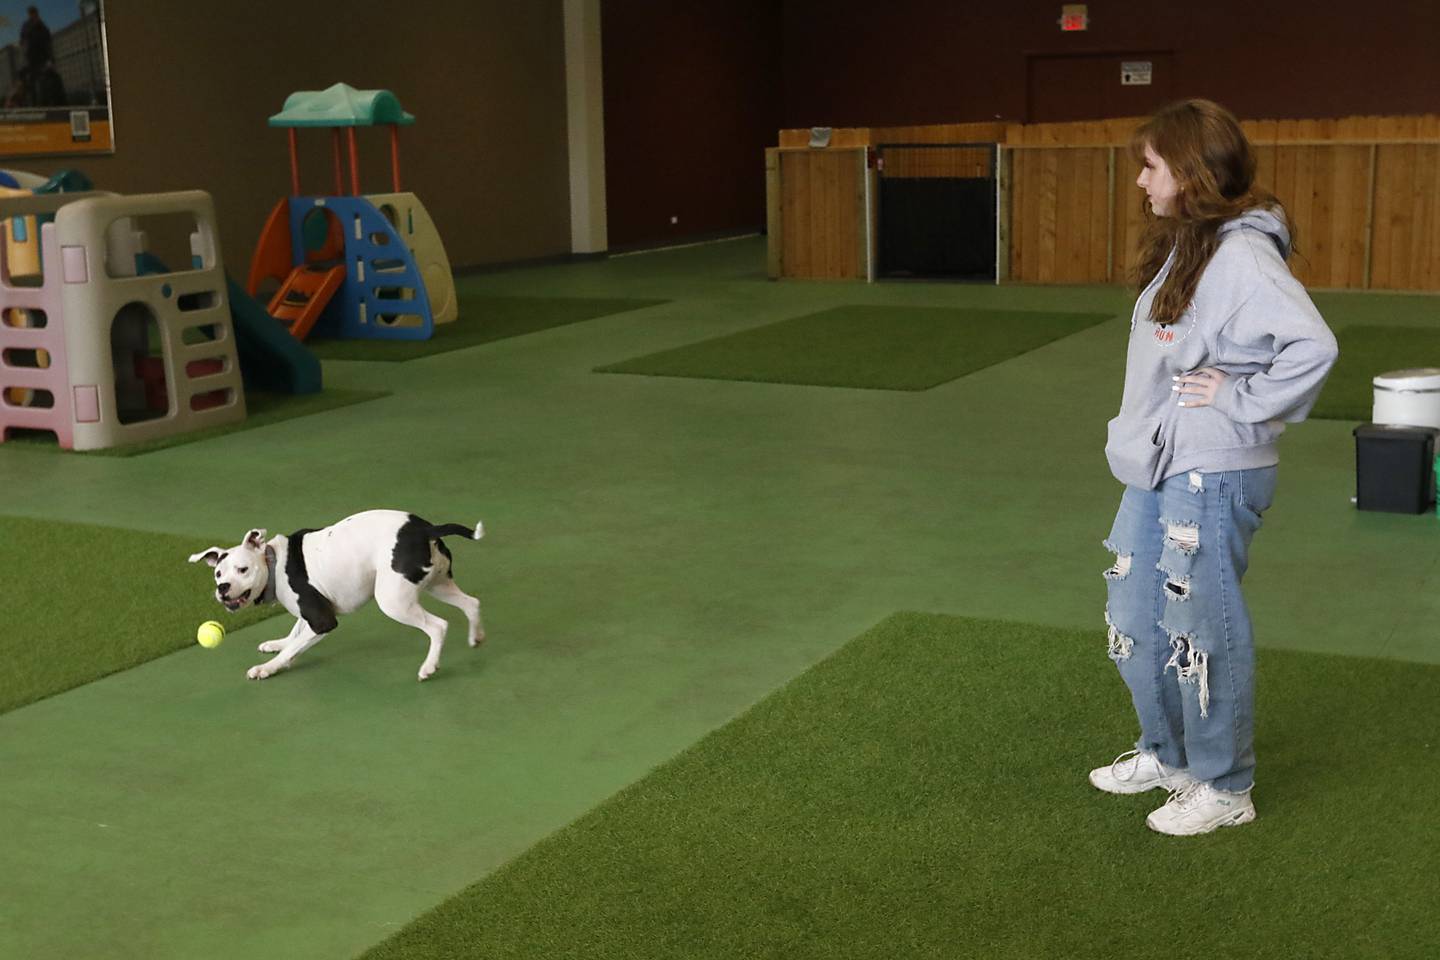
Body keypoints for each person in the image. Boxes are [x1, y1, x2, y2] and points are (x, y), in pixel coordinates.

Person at [1090, 99, 1338, 836]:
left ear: (1189, 173)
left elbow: (1312, 346)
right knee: (1136, 614)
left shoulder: (1241, 256)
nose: (1140, 179)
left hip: (1214, 468)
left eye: (1151, 165)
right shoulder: (1191, 244)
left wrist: (1243, 396)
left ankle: (1223, 786)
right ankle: (1168, 756)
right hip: (1161, 462)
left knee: (1201, 622)